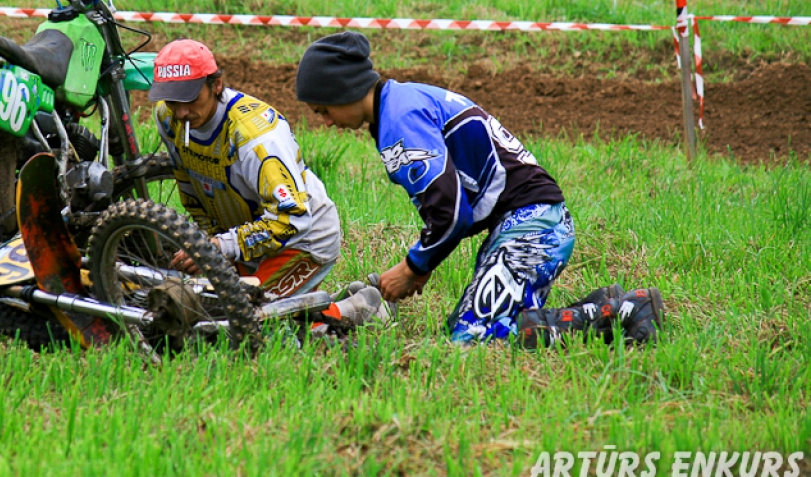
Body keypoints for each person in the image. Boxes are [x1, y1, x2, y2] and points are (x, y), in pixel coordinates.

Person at [294, 31, 664, 347]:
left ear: (344, 90)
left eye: (322, 110)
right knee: (461, 330)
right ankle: (602, 304)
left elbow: (452, 211)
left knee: (473, 339)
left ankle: (625, 312)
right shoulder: (401, 102)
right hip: (529, 223)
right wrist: (418, 268)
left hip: (533, 229)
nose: (325, 122)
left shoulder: (399, 120)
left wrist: (411, 268)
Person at [149, 39, 385, 325]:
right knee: (190, 306)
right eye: (173, 101)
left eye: (190, 99)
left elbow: (293, 220)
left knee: (235, 319)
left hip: (303, 237)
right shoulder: (167, 116)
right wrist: (205, 243)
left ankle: (359, 308)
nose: (182, 112)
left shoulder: (256, 139)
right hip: (242, 235)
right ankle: (314, 302)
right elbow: (189, 184)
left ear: (217, 84)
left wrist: (221, 246)